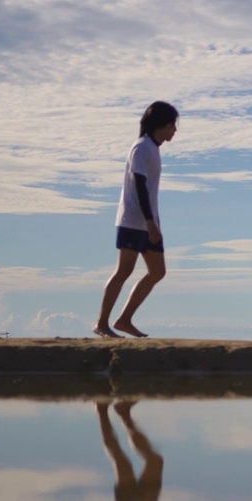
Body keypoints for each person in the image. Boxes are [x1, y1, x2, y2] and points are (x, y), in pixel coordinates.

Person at [94, 101, 179, 339]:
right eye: (173, 125)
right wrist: (150, 221)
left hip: (149, 222)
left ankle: (124, 320)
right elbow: (139, 184)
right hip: (134, 220)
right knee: (124, 270)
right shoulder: (141, 147)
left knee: (157, 271)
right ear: (161, 124)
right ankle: (101, 323)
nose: (175, 130)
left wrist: (154, 222)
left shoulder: (153, 148)